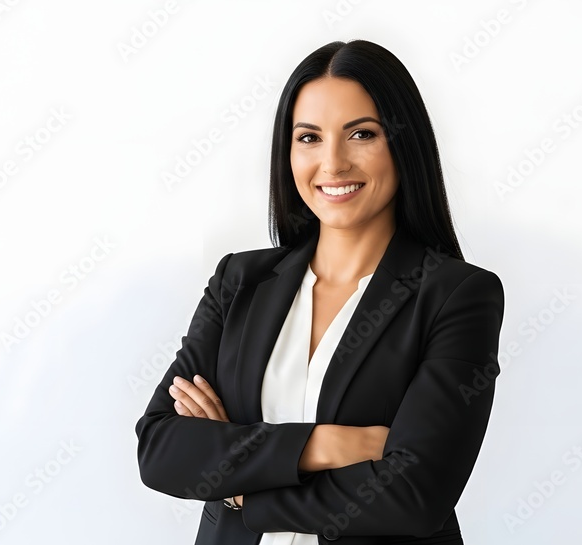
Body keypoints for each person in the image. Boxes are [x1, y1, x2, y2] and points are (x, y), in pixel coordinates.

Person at [135, 39, 505, 544]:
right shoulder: (239, 282)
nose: (333, 163)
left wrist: (240, 487)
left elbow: (414, 496)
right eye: (309, 137)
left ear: (404, 144)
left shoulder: (457, 296)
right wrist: (325, 445)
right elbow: (160, 448)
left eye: (361, 134)